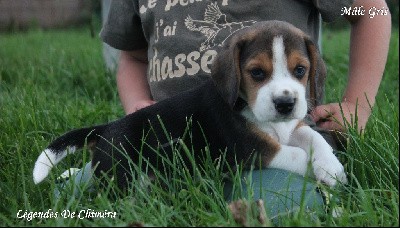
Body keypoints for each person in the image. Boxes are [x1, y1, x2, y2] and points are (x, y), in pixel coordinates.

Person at [55, 0, 391, 222]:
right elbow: (133, 56)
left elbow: (369, 13)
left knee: (282, 207)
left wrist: (355, 105)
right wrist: (136, 105)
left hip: (273, 143)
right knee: (78, 192)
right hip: (166, 145)